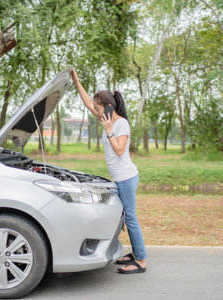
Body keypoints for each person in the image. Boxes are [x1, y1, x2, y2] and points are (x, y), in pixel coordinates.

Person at [71, 68, 147, 274]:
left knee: (130, 216)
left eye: (98, 108)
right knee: (124, 216)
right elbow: (87, 101)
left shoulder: (120, 124)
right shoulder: (106, 118)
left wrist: (108, 131)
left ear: (109, 107)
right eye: (95, 108)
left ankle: (141, 260)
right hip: (120, 178)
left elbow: (121, 150)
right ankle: (136, 252)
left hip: (127, 178)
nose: (95, 111)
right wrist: (76, 80)